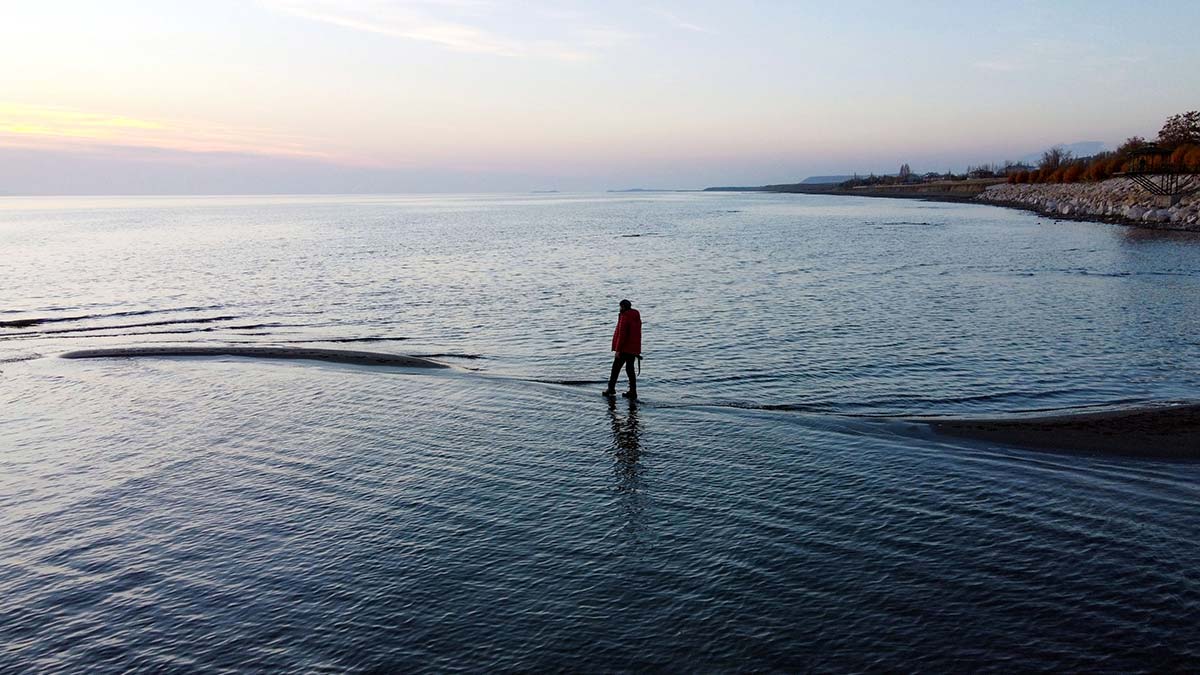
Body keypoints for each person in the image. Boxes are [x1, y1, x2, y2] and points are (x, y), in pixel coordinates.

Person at [603, 299, 641, 399]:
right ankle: (633, 391)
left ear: (623, 307)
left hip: (624, 348)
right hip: (633, 348)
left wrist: (618, 350)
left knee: (615, 369)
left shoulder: (624, 316)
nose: (619, 309)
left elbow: (621, 334)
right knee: (630, 370)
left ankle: (611, 389)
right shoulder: (636, 315)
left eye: (620, 307)